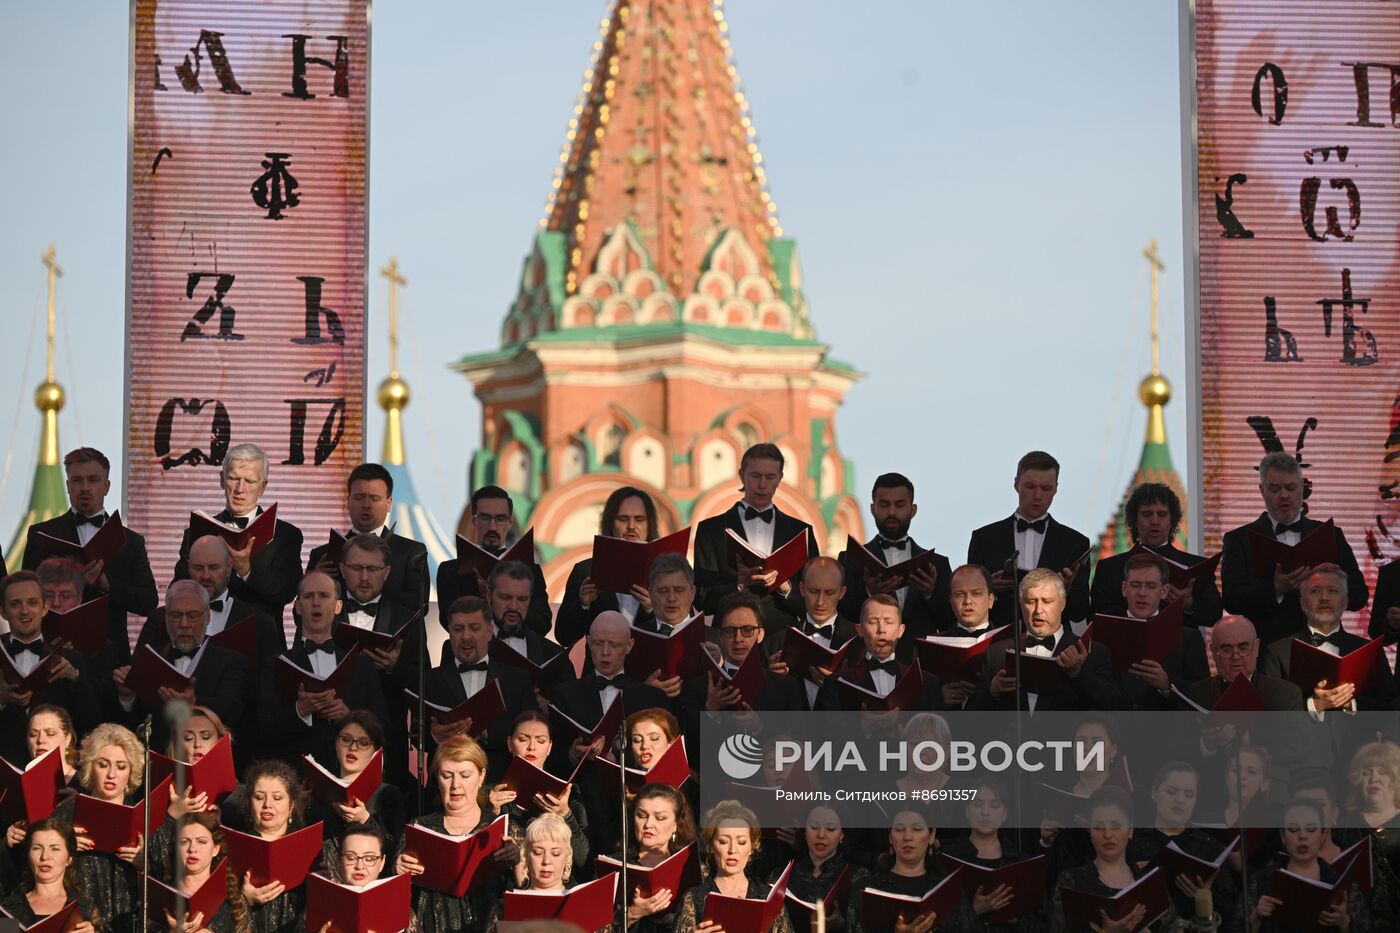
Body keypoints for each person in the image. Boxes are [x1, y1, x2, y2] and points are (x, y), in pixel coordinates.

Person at [139, 535, 285, 762]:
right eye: (198, 568)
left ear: (229, 566)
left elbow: (266, 696)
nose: (205, 575)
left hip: (234, 754)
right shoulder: (159, 619)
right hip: (161, 752)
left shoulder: (260, 623)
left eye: (213, 567)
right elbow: (141, 681)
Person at [23, 446, 157, 665]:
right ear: (67, 486)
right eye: (77, 480)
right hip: (53, 651)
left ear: (106, 486)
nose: (84, 488)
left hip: (111, 656)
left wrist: (106, 584)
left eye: (93, 480)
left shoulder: (130, 541)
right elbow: (27, 592)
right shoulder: (41, 534)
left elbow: (148, 601)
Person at [1220, 452, 1368, 646]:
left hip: (1324, 646)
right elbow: (1232, 600)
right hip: (1266, 649)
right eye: (1275, 489)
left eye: (1291, 487)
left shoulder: (1331, 535)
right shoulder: (1239, 539)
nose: (1284, 495)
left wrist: (1335, 585)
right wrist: (1275, 589)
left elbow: (1359, 596)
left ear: (1302, 487)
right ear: (1261, 490)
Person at [256, 571, 389, 771]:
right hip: (296, 779)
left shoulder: (362, 665)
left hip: (349, 776)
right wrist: (300, 710)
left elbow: (383, 728)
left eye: (324, 596)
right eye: (309, 596)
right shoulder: (276, 665)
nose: (316, 603)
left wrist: (349, 717)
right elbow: (263, 731)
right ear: (298, 607)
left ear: (338, 606)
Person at [394, 735, 521, 933]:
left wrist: (517, 862)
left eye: (465, 775)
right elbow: (393, 897)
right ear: (437, 778)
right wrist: (398, 871)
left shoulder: (501, 827)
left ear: (481, 777)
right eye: (447, 775)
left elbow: (525, 895)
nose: (455, 785)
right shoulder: (419, 828)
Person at [693, 443, 819, 634]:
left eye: (770, 477)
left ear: (780, 478)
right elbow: (702, 599)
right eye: (755, 476)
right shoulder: (711, 530)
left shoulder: (801, 532)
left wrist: (784, 587)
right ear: (742, 475)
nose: (762, 484)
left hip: (782, 639)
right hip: (731, 637)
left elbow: (815, 601)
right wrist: (739, 583)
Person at [333, 534, 426, 792]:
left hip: (388, 742)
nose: (364, 577)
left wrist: (395, 667)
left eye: (372, 569)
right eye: (356, 568)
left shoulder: (408, 619)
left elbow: (424, 682)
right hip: (330, 742)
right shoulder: (324, 614)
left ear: (386, 573)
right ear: (342, 570)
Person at [173, 442, 304, 622]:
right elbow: (179, 588)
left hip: (261, 642)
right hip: (203, 637)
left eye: (249, 481)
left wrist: (247, 571)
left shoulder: (285, 535)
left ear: (263, 487)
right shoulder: (197, 532)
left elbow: (286, 592)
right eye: (234, 478)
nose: (240, 489)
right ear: (221, 479)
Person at [112, 579, 248, 751]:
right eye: (176, 615)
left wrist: (195, 703)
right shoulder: (149, 659)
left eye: (192, 615)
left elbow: (233, 710)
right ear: (166, 618)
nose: (184, 624)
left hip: (208, 765)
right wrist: (127, 697)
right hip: (157, 765)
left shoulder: (230, 661)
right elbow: (129, 725)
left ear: (207, 617)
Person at [967, 569, 1122, 713]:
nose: (1038, 610)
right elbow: (970, 718)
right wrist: (993, 691)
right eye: (1030, 601)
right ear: (1020, 604)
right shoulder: (996, 654)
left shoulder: (1092, 652)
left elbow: (1114, 708)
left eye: (1047, 601)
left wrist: (1078, 674)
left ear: (1063, 604)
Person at [967, 451, 1092, 626]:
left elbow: (1079, 613)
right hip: (997, 642)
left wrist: (1065, 591)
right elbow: (966, 604)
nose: (1038, 496)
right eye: (1030, 486)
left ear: (1056, 488)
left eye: (1046, 488)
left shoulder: (1075, 543)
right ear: (1016, 484)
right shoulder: (984, 538)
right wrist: (987, 589)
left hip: (1055, 649)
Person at [1259, 564, 1397, 714]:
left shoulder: (1371, 652)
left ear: (1345, 602)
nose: (1324, 598)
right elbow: (1271, 715)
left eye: (1332, 591)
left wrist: (1352, 704)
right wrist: (1313, 706)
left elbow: (1391, 710)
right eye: (1315, 591)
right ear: (1302, 603)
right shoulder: (1278, 652)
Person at [421, 595, 534, 777]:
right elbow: (417, 737)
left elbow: (528, 730)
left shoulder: (518, 679)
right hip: (445, 788)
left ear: (489, 632)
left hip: (501, 784)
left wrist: (486, 733)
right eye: (458, 629)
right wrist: (435, 736)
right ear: (449, 633)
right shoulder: (429, 680)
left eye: (474, 628)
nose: (466, 636)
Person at [838, 473, 954, 641]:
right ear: (873, 509)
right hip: (867, 660)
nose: (891, 512)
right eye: (884, 505)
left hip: (919, 660)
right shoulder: (850, 559)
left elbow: (949, 623)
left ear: (913, 510)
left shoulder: (937, 564)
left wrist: (930, 593)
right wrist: (870, 593)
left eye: (899, 505)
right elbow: (842, 617)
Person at [1089, 482, 1223, 627]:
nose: (1154, 521)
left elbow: (1214, 615)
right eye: (1147, 514)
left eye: (1162, 514)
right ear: (1135, 520)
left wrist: (1188, 605)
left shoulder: (1196, 566)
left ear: (1172, 520)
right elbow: (1095, 617)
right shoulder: (1110, 568)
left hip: (1180, 648)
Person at [0, 570, 101, 761]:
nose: (24, 611)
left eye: (32, 602)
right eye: (15, 604)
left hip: (58, 776)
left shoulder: (73, 660)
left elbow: (92, 722)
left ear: (45, 608)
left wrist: (75, 679)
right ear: (3, 611)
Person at [1050, 786, 1179, 933]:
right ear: (1090, 833)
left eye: (1116, 826)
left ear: (1130, 830)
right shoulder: (1071, 881)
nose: (1108, 834)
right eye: (1098, 827)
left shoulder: (1151, 885)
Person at [305, 463, 429, 616]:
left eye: (374, 498)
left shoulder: (411, 553)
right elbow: (301, 617)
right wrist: (316, 582)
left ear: (389, 503)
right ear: (347, 501)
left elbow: (419, 608)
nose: (366, 505)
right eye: (359, 497)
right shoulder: (323, 556)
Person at [1124, 761, 1237, 925]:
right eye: (1171, 792)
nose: (1180, 800)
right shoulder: (1132, 844)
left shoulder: (1210, 847)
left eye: (1189, 795)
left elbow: (1233, 915)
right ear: (1154, 793)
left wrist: (1205, 898)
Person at [550, 611, 666, 770]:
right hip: (584, 789)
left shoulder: (652, 698)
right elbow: (553, 753)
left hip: (636, 791)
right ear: (589, 643)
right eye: (598, 643)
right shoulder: (565, 695)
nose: (605, 652)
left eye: (614, 644)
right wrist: (572, 754)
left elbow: (664, 754)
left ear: (629, 646)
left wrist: (618, 760)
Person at [681, 591, 804, 739]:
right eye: (730, 631)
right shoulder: (698, 687)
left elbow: (796, 745)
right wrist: (710, 712)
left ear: (760, 634)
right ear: (720, 636)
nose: (738, 639)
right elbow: (691, 751)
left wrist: (759, 727)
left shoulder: (786, 688)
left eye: (747, 630)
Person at [435, 486, 551, 636]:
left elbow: (543, 624)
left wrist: (507, 604)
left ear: (510, 523)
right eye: (485, 518)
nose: (492, 527)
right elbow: (448, 621)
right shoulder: (451, 571)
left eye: (500, 519)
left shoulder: (531, 570)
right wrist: (483, 599)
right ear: (474, 521)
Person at [485, 710, 589, 874]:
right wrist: (492, 813)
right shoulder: (491, 794)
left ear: (549, 747)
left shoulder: (568, 793)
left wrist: (564, 813)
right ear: (509, 743)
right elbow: (481, 859)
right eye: (523, 739)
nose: (531, 747)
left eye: (541, 741)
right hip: (503, 891)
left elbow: (582, 859)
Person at [846, 804, 977, 933]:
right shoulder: (867, 889)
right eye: (899, 829)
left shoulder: (949, 892)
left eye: (917, 829)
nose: (907, 837)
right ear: (890, 837)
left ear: (931, 836)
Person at [1245, 797, 1369, 933]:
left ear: (1323, 835)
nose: (1302, 836)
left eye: (1311, 829)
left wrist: (1344, 923)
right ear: (1282, 836)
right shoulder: (1260, 882)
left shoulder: (1342, 885)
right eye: (1293, 829)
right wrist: (1255, 921)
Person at [556, 486, 661, 645]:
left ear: (650, 525)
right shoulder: (585, 571)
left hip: (650, 669)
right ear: (610, 523)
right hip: (599, 668)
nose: (631, 526)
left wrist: (652, 610)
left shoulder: (664, 574)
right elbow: (564, 637)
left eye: (639, 519)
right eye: (623, 519)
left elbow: (677, 635)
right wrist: (583, 605)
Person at [1105, 553, 1210, 711]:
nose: (1142, 593)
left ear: (1164, 591)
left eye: (1151, 586)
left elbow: (1201, 698)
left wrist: (1167, 684)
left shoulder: (1188, 638)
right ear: (1124, 589)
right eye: (1135, 585)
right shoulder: (1102, 634)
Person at [672, 799, 796, 933]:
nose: (732, 850)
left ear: (751, 848)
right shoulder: (694, 898)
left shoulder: (768, 897)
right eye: (724, 841)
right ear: (711, 846)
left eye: (741, 842)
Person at [815, 594, 943, 713]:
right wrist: (864, 728)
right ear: (860, 630)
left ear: (901, 630)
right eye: (873, 621)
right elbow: (828, 733)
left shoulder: (926, 683)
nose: (881, 630)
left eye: (888, 622)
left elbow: (936, 733)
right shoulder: (837, 684)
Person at [767, 556, 860, 710]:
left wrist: (839, 686)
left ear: (842, 592)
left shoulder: (858, 641)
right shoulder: (775, 642)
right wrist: (772, 679)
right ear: (802, 589)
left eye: (829, 592)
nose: (820, 602)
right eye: (814, 591)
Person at [234, 760, 315, 933]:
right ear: (250, 802)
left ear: (291, 804)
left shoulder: (311, 847)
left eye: (277, 798)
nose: (267, 805)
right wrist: (242, 898)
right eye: (259, 797)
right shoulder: (233, 845)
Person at [320, 712, 406, 860]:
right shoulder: (320, 788)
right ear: (335, 743)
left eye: (364, 743)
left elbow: (394, 850)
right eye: (346, 740)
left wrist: (364, 819)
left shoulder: (387, 794)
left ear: (376, 751)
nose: (353, 748)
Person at [617, 783, 699, 933]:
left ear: (676, 824)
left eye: (660, 818)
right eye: (641, 816)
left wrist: (680, 920)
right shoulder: (616, 864)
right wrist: (633, 914)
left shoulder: (692, 865)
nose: (648, 824)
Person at [0, 818, 102, 933]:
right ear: (28, 856)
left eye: (55, 849)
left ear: (69, 859)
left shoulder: (84, 909)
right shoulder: (10, 908)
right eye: (37, 848)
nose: (45, 856)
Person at [160, 811, 250, 933]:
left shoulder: (233, 900)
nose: (192, 849)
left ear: (215, 849)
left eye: (201, 842)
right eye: (184, 842)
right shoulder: (161, 898)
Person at [27, 704, 80, 789]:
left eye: (50, 734)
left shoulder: (85, 784)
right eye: (33, 734)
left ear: (67, 738)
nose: (40, 740)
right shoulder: (21, 785)